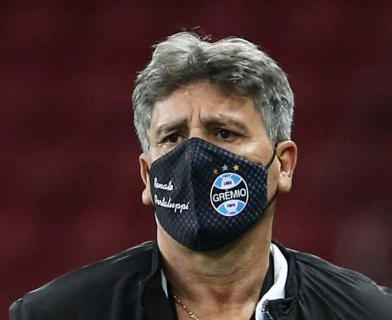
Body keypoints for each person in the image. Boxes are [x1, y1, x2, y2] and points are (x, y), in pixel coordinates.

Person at [10, 31, 392, 319]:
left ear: (285, 164)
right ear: (146, 175)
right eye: (172, 137)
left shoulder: (367, 313)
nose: (195, 157)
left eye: (224, 133)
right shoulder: (58, 313)